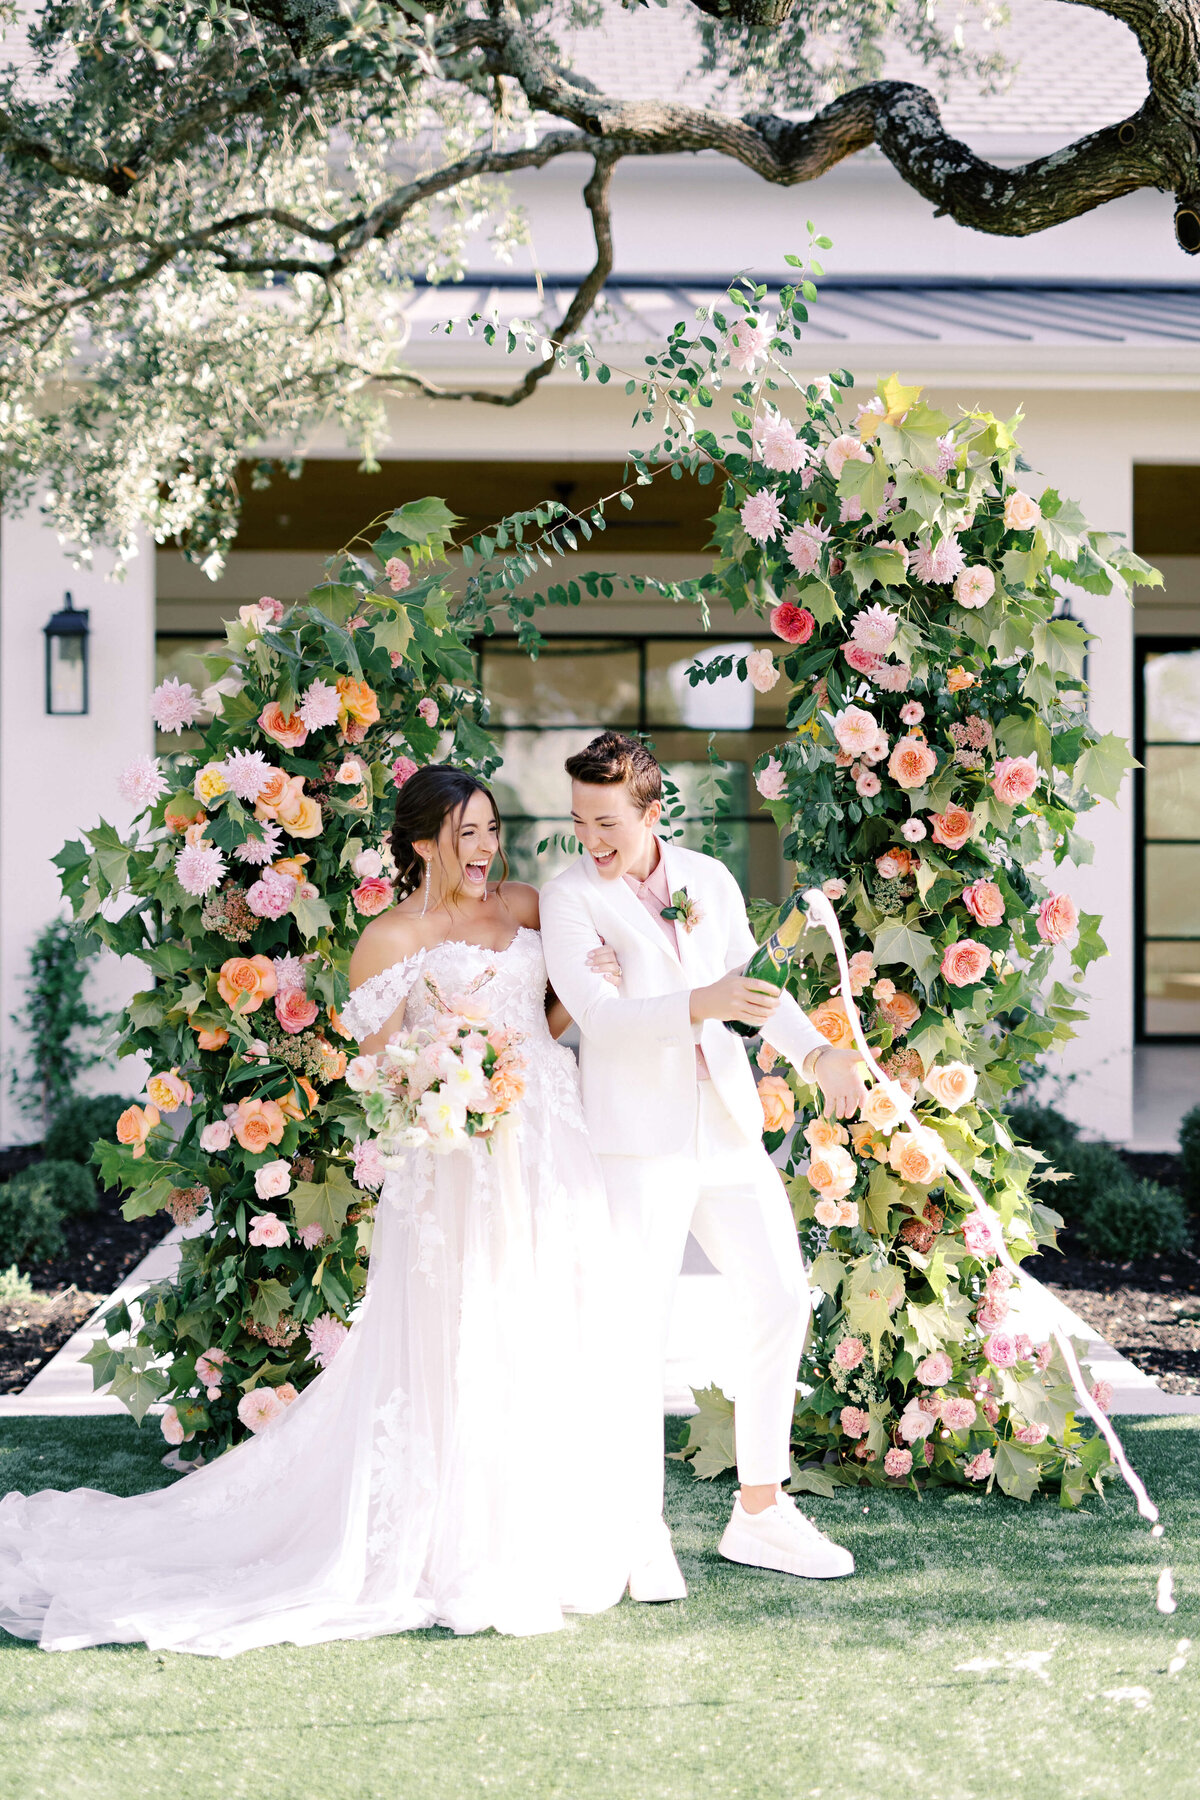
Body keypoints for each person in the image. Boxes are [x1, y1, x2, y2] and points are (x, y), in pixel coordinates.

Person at [0, 765, 636, 1654]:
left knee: (542, 1319)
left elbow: (549, 1018)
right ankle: (452, 1538)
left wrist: (585, 983)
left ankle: (543, 1523)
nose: (486, 850)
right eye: (467, 835)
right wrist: (447, 1058)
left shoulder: (527, 907)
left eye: (492, 830)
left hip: (545, 1138)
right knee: (459, 1332)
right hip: (455, 1158)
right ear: (423, 845)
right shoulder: (389, 938)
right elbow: (369, 1071)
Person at [539, 732, 867, 1597]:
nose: (591, 840)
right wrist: (698, 1003)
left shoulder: (709, 880)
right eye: (579, 821)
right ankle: (635, 1534)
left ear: (653, 812)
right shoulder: (569, 898)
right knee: (634, 1332)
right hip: (634, 1138)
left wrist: (816, 1055)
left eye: (606, 821)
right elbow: (598, 1019)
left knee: (780, 1296)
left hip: (725, 1123)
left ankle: (760, 1512)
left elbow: (751, 986)